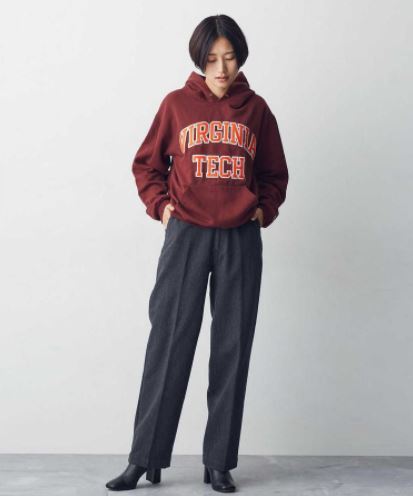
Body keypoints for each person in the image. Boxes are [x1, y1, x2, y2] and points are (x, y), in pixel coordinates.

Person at [106, 13, 289, 493]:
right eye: (211, 59)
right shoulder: (176, 105)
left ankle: (219, 462)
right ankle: (144, 458)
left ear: (240, 57)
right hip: (186, 233)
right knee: (168, 341)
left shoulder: (257, 111)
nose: (221, 68)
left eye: (229, 57)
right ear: (199, 60)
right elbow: (146, 165)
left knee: (232, 346)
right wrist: (163, 208)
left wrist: (262, 211)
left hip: (240, 238)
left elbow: (275, 173)